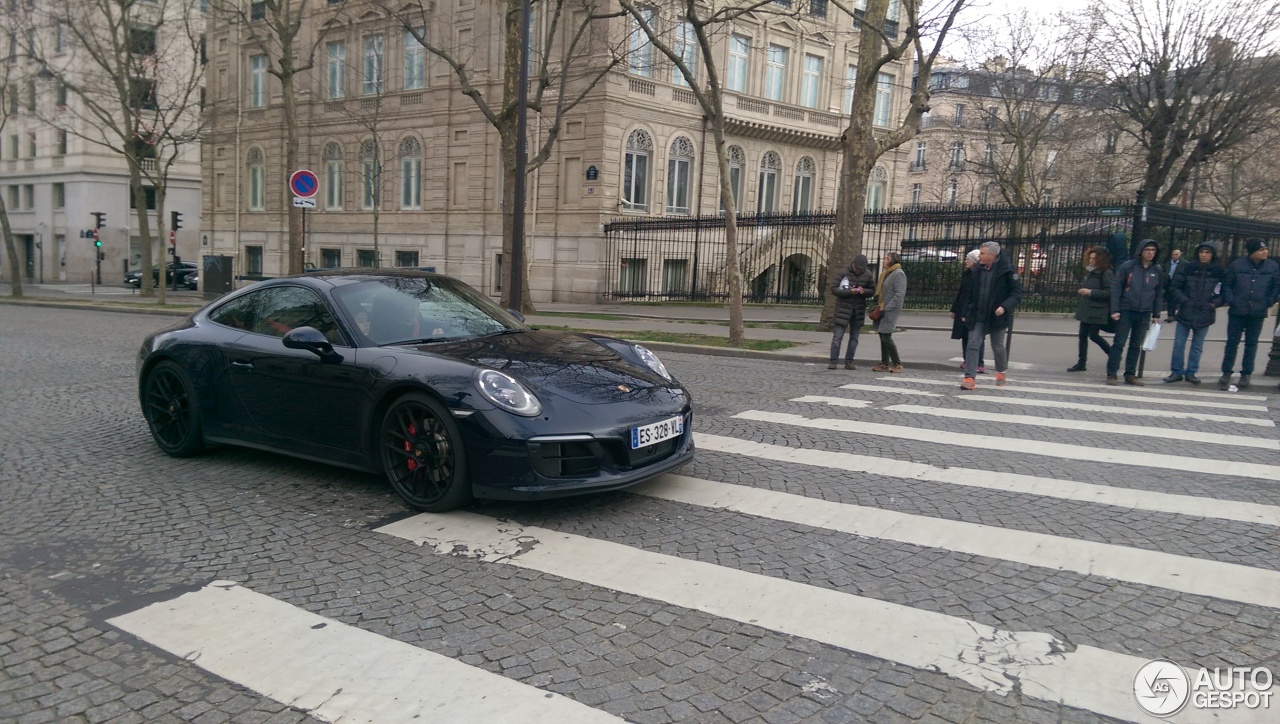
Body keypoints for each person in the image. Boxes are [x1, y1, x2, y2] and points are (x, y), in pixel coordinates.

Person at [957, 241, 1022, 390]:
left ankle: (1001, 371)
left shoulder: (1008, 271)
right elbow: (969, 293)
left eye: (982, 253)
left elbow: (1017, 293)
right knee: (973, 344)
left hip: (997, 315)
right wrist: (966, 311)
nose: (979, 256)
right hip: (978, 313)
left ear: (992, 255)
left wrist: (1004, 307)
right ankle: (969, 378)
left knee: (997, 346)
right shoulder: (977, 271)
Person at [1219, 238, 1280, 390]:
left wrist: (1268, 302)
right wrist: (1231, 300)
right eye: (1261, 250)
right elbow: (1227, 285)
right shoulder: (1237, 265)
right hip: (1237, 310)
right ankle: (1227, 371)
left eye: (1265, 249)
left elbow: (1276, 286)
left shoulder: (1272, 266)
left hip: (1257, 311)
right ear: (1252, 252)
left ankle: (1246, 373)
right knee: (1232, 342)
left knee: (1251, 344)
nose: (1265, 252)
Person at [1107, 238, 1164, 386]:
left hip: (1144, 311)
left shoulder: (1156, 269)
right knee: (1119, 343)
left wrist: (1156, 313)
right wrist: (1115, 309)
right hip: (1126, 309)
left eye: (1153, 250)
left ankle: (1130, 374)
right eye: (1147, 250)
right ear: (1141, 251)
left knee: (1136, 344)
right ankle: (1112, 374)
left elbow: (1158, 293)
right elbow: (1117, 288)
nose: (1150, 253)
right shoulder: (1129, 266)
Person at [1165, 243, 1224, 385]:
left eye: (1207, 252)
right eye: (1202, 252)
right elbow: (1175, 287)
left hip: (1205, 312)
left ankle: (1191, 372)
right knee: (1179, 344)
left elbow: (1224, 291)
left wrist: (1214, 303)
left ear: (1212, 255)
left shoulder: (1218, 270)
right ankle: (1176, 371)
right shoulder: (1188, 268)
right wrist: (1184, 300)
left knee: (1197, 346)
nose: (1204, 255)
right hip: (1187, 310)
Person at [1068, 246, 1114, 373]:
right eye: (1090, 258)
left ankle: (1113, 355)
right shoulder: (1091, 271)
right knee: (1082, 336)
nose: (1091, 261)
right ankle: (1081, 363)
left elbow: (1110, 292)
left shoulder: (1106, 273)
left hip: (1097, 310)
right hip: (1087, 308)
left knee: (1093, 335)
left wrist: (1090, 292)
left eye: (1094, 258)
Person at [828, 255, 875, 369]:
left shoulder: (868, 275)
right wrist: (850, 292)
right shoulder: (843, 272)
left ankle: (849, 361)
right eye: (857, 269)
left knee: (854, 338)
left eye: (861, 270)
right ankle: (833, 361)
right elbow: (834, 289)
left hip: (858, 310)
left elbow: (872, 290)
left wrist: (864, 292)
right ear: (853, 264)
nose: (859, 271)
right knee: (837, 337)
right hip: (843, 309)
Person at [950, 250, 986, 373]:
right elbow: (961, 292)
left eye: (968, 259)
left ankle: (978, 362)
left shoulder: (979, 274)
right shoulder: (967, 273)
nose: (965, 261)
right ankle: (967, 359)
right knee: (965, 335)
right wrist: (954, 309)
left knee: (975, 337)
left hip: (972, 309)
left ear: (974, 260)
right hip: (962, 307)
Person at [870, 251, 906, 373]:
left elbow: (899, 294)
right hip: (883, 307)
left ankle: (897, 363)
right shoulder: (887, 273)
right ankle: (884, 362)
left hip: (890, 309)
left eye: (886, 258)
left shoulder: (898, 274)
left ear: (891, 260)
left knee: (886, 336)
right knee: (882, 334)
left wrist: (888, 306)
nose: (883, 261)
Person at [1164, 248, 1183, 323]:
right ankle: (1170, 315)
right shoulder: (1168, 263)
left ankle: (1175, 315)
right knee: (1169, 300)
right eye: (1173, 254)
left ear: (1180, 255)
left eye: (1176, 254)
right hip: (1169, 283)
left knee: (1176, 300)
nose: (1174, 256)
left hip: (1178, 284)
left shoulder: (1184, 264)